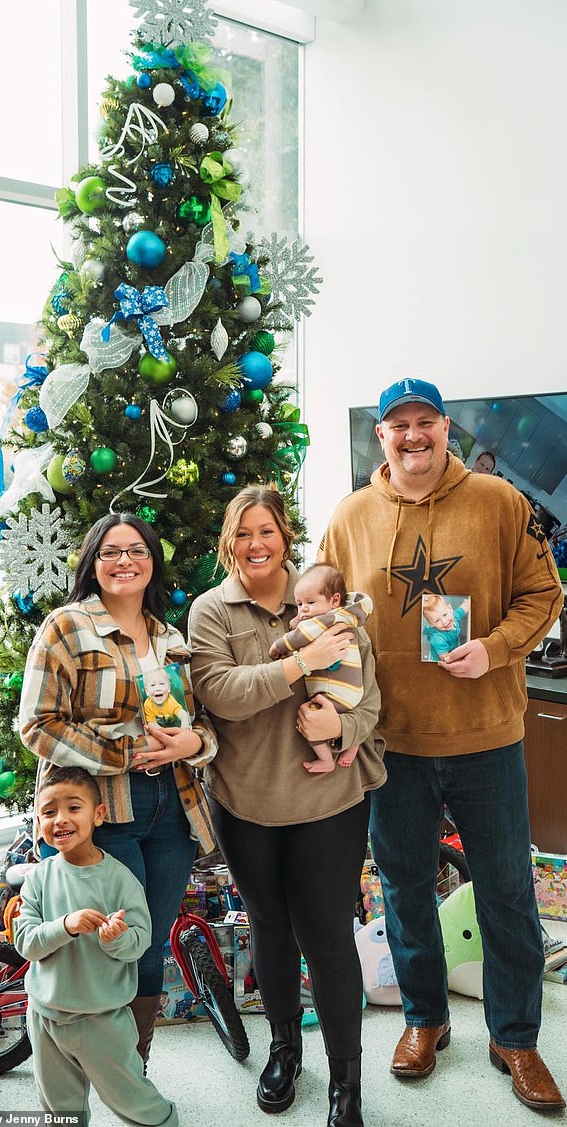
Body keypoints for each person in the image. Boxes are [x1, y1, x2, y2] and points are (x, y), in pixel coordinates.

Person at [319, 377, 565, 1112]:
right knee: (403, 890)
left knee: (507, 893)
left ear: (446, 429)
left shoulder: (499, 501)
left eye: (426, 421)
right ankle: (426, 1020)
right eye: (399, 425)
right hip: (391, 743)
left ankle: (516, 1035)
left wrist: (494, 648)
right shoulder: (352, 515)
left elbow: (544, 595)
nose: (413, 434)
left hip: (485, 735)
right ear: (383, 437)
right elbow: (322, 613)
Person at [188, 485, 386, 1127]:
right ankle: (283, 1048)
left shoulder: (328, 600)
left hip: (329, 801)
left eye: (266, 531)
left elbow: (372, 701)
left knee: (328, 938)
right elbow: (222, 694)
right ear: (229, 541)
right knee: (269, 928)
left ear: (285, 536)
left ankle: (346, 1080)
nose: (256, 545)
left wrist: (344, 733)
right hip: (246, 802)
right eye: (243, 533)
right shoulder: (212, 611)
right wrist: (303, 663)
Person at [19, 511, 217, 1074]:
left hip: (173, 809)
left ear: (152, 562)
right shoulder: (65, 627)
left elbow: (205, 728)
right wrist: (124, 754)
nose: (124, 560)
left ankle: (133, 1069)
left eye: (136, 550)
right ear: (92, 563)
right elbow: (39, 724)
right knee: (105, 942)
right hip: (105, 811)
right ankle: (86, 1064)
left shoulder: (172, 638)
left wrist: (189, 745)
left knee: (146, 942)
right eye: (110, 551)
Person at [14, 765, 177, 1127]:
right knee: (60, 1109)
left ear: (98, 815)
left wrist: (117, 939)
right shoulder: (39, 878)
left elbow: (140, 941)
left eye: (74, 808)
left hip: (103, 1020)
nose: (61, 819)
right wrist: (65, 926)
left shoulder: (120, 879)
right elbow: (25, 942)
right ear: (38, 821)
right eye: (49, 811)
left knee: (133, 1098)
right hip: (45, 1017)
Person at [269, 563, 374, 773]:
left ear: (334, 600)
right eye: (299, 604)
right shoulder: (346, 617)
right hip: (352, 694)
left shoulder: (325, 620)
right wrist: (301, 618)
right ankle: (353, 745)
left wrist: (278, 646)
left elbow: (301, 636)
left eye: (310, 602)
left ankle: (325, 759)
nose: (303, 609)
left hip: (331, 693)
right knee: (349, 716)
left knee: (309, 720)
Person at [421, 594, 469, 661]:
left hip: (452, 649)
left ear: (450, 609)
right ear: (431, 624)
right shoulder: (437, 639)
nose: (444, 621)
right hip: (439, 660)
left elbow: (464, 607)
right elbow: (446, 659)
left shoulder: (454, 616)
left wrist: (469, 602)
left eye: (445, 614)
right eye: (437, 620)